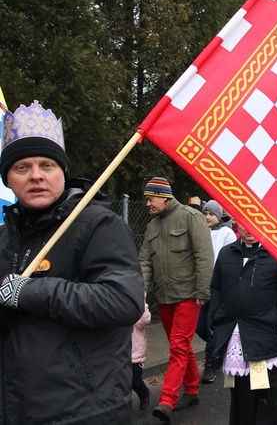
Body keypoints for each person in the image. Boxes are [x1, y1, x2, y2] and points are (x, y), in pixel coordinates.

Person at [0, 101, 144, 423]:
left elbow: (123, 300)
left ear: (62, 172)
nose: (36, 176)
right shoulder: (3, 237)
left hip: (84, 410)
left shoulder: (99, 226)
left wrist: (29, 292)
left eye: (47, 165)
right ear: (8, 178)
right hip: (16, 409)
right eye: (22, 167)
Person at [139, 177, 214, 422]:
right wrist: (142, 289)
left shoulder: (191, 218)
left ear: (164, 196)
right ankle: (192, 389)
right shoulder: (152, 226)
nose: (148, 203)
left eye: (151, 198)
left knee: (178, 347)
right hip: (164, 296)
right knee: (180, 345)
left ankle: (167, 400)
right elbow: (145, 262)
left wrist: (203, 291)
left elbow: (204, 256)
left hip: (188, 295)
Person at [209, 221, 277, 424]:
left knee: (267, 398)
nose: (249, 229)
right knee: (241, 398)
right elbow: (216, 288)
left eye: (254, 224)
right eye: (244, 224)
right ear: (236, 224)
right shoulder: (226, 253)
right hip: (235, 336)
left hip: (265, 337)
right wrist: (217, 317)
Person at [197, 200, 237, 384]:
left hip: (218, 287)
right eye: (205, 214)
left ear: (218, 215)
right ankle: (221, 347)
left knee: (211, 325)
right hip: (201, 286)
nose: (207, 217)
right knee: (200, 326)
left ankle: (211, 364)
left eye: (211, 214)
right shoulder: (201, 232)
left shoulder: (227, 233)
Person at [133, 295, 153, 411]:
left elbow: (144, 321)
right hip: (117, 352)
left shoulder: (137, 302)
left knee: (134, 380)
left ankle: (144, 392)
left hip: (134, 351)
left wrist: (141, 302)